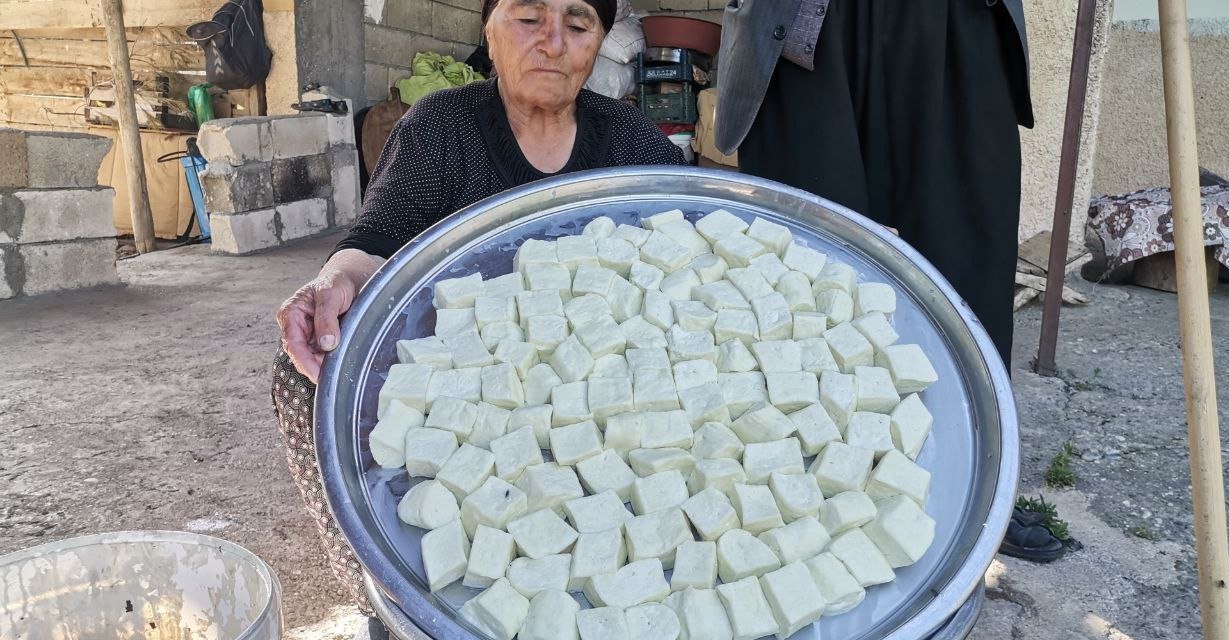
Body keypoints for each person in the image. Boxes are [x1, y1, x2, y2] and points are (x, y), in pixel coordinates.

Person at [271, 0, 684, 621]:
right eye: (528, 19)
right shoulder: (442, 126)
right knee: (303, 379)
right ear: (488, 35)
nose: (552, 43)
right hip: (470, 368)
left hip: (604, 369)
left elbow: (695, 242)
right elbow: (377, 237)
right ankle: (390, 598)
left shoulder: (630, 139)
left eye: (577, 25)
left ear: (598, 44)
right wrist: (331, 286)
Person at [716, 1, 1066, 562]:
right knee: (810, 272)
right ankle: (810, 498)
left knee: (967, 266)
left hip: (955, 19)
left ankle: (972, 492)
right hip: (810, 19)